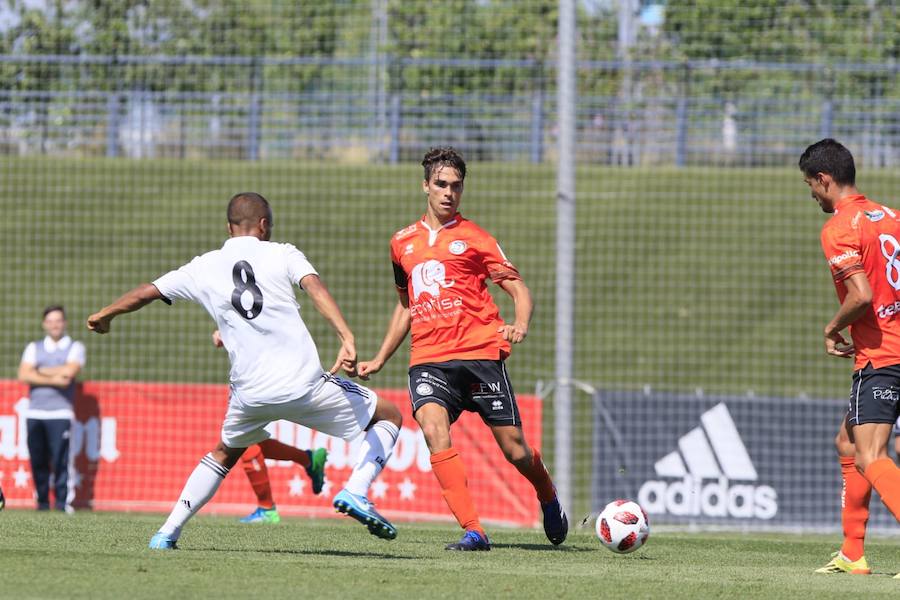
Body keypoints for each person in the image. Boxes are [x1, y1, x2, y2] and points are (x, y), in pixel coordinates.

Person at [87, 192, 403, 549]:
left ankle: (166, 533)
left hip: (250, 394)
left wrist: (106, 314)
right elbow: (314, 286)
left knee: (224, 452)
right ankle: (356, 491)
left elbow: (148, 291)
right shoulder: (283, 252)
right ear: (264, 225)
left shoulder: (203, 266)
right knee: (389, 415)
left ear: (228, 227)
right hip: (303, 385)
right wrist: (346, 336)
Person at [358, 147, 567, 551]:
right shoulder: (401, 243)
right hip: (429, 358)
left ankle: (547, 493)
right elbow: (407, 304)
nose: (448, 192)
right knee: (434, 431)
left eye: (456, 185)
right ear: (425, 186)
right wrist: (380, 357)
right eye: (441, 184)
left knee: (515, 450)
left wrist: (520, 323)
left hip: (479, 355)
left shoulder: (477, 238)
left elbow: (518, 289)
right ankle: (475, 531)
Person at [800, 139, 900, 579]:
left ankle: (854, 552)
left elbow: (860, 296)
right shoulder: (893, 218)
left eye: (810, 185)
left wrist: (830, 328)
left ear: (825, 179)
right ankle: (852, 552)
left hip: (882, 355)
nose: (811, 194)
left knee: (871, 454)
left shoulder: (840, 228)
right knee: (847, 443)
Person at [210, 330, 329, 525]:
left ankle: (267, 509)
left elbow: (258, 327)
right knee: (253, 441)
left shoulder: (261, 310)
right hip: (266, 379)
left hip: (260, 383)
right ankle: (308, 459)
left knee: (244, 442)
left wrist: (228, 333)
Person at [18, 305, 85, 512]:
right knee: (38, 460)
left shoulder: (75, 347)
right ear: (44, 324)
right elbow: (24, 375)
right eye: (51, 321)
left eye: (58, 320)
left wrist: (39, 371)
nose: (55, 325)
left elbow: (67, 377)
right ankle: (42, 504)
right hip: (35, 412)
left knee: (60, 461)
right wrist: (56, 373)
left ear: (64, 323)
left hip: (60, 412)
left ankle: (63, 504)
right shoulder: (34, 346)